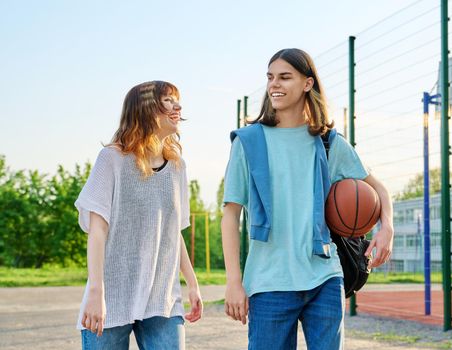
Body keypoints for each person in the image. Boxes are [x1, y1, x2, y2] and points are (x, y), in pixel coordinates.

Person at [221, 48, 394, 349]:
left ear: (307, 84)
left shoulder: (328, 142)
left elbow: (378, 189)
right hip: (268, 282)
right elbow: (230, 214)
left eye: (285, 77)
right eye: (271, 77)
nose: (274, 84)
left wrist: (387, 228)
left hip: (324, 277)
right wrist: (234, 281)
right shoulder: (248, 142)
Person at [75, 80, 202, 349]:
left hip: (162, 299)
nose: (177, 107)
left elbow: (172, 232)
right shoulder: (111, 159)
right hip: (112, 298)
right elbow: (98, 231)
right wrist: (96, 293)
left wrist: (192, 283)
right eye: (167, 101)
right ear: (144, 108)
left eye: (177, 100)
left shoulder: (177, 167)